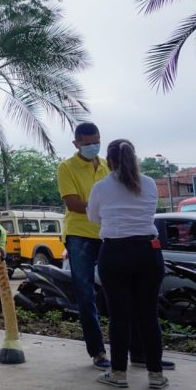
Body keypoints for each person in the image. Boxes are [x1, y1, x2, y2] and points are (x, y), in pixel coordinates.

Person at [87, 139, 169, 389]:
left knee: (119, 316)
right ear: (134, 158)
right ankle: (156, 375)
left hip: (115, 253)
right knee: (149, 315)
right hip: (148, 252)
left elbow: (93, 218)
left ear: (109, 161)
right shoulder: (150, 183)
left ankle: (118, 374)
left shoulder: (101, 187)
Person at [57, 122, 111, 369]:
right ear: (76, 144)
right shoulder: (66, 167)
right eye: (87, 143)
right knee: (86, 294)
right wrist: (108, 206)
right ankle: (98, 352)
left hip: (109, 233)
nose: (93, 147)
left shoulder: (108, 166)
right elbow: (74, 204)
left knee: (120, 292)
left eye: (96, 142)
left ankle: (137, 350)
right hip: (79, 235)